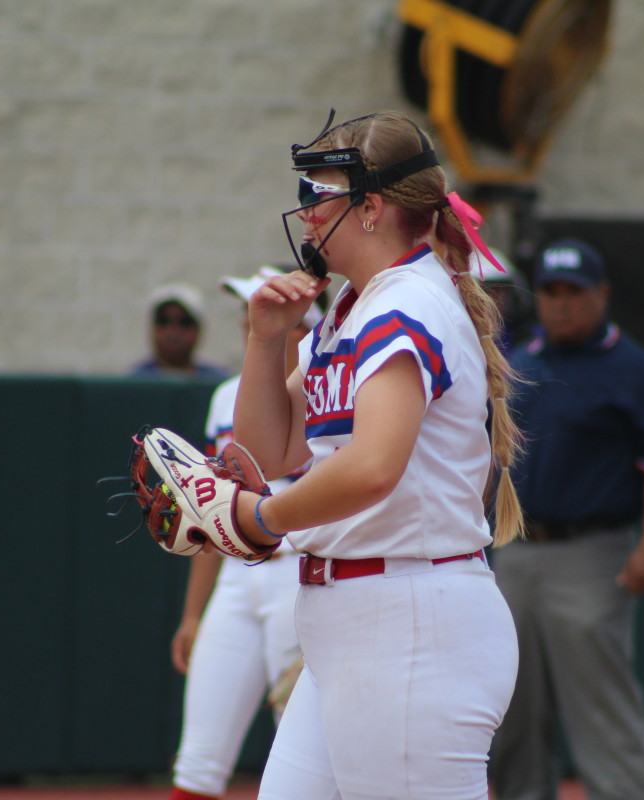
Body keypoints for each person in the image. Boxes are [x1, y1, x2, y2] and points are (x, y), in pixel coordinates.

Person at [214, 109, 526, 800]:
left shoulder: (403, 303)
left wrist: (261, 517)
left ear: (372, 208)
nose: (308, 213)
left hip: (410, 621)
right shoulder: (353, 307)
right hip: (361, 620)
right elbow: (267, 452)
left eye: (319, 194)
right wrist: (267, 341)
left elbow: (373, 466)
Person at [488, 237, 644, 800]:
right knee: (514, 704)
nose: (561, 303)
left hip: (592, 551)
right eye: (550, 291)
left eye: (574, 291)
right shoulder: (523, 361)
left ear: (602, 294)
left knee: (601, 702)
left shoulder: (635, 368)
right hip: (519, 551)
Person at [166, 266, 327, 800]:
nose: (247, 321)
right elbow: (209, 517)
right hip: (238, 576)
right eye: (244, 310)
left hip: (297, 576)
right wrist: (193, 612)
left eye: (261, 308)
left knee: (306, 760)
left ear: (306, 327)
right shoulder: (225, 397)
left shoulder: (327, 391)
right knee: (197, 761)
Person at [130, 283, 231, 379]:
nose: (173, 330)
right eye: (163, 321)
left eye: (184, 322)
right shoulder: (131, 386)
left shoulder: (217, 384)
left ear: (199, 329)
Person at [477, 247, 536, 356]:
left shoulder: (526, 336)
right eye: (486, 290)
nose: (493, 298)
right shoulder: (459, 333)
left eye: (499, 290)